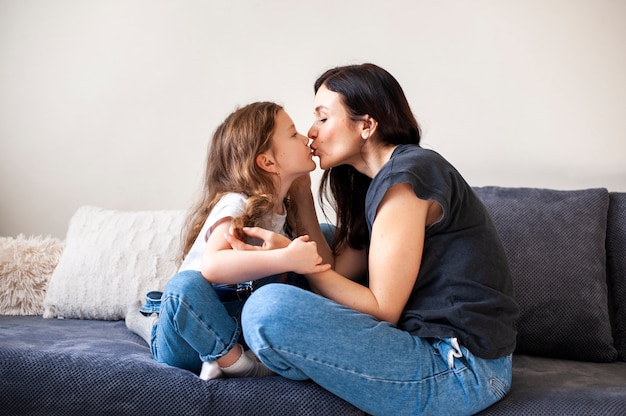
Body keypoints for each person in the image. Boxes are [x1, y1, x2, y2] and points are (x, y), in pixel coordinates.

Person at [228, 64, 519, 415]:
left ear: (366, 125)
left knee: (268, 309)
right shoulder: (371, 182)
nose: (310, 131)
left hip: (461, 369)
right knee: (324, 238)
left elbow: (383, 309)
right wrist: (303, 197)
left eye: (322, 118)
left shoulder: (407, 179)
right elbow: (337, 270)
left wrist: (293, 260)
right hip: (430, 350)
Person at [125, 101, 330, 380]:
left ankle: (228, 351)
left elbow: (321, 263)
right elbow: (213, 266)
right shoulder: (236, 203)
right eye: (293, 134)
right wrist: (286, 257)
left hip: (239, 325)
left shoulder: (286, 208)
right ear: (267, 162)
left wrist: (304, 195)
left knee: (323, 235)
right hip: (191, 338)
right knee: (183, 287)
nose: (306, 137)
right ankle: (235, 363)